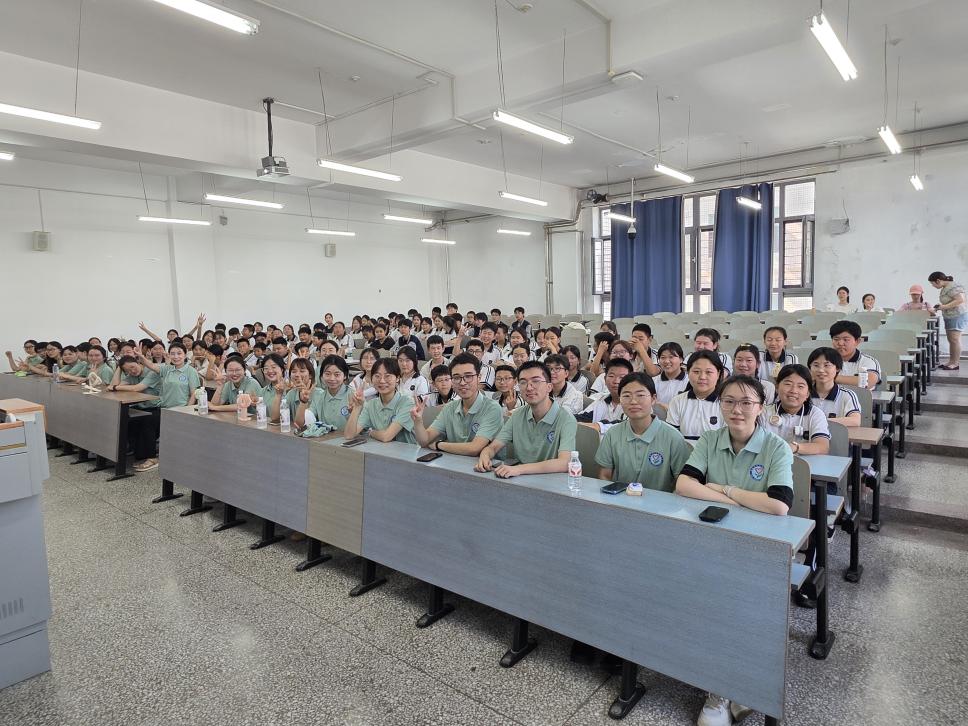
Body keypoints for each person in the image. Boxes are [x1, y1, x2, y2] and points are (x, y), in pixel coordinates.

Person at [675, 374, 793, 726]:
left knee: (735, 605)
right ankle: (723, 687)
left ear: (761, 408)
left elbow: (778, 506)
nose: (736, 409)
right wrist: (742, 502)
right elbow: (684, 484)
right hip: (711, 539)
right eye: (728, 401)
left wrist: (724, 490)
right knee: (701, 600)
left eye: (746, 402)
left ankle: (728, 688)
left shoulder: (776, 447)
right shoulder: (710, 439)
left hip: (761, 547)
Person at [475, 360, 577, 478]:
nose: (529, 387)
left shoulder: (566, 419)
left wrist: (519, 469)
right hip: (520, 480)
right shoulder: (517, 415)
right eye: (523, 382)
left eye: (536, 381)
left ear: (549, 387)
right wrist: (485, 455)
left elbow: (565, 463)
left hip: (551, 481)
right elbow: (493, 447)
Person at [596, 372, 691, 491]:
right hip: (619, 499)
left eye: (640, 395)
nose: (633, 401)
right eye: (626, 396)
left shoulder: (673, 437)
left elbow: (681, 483)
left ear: (653, 399)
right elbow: (604, 476)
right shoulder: (612, 434)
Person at [410, 352, 504, 456]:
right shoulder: (449, 407)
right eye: (456, 377)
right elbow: (424, 441)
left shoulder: (492, 408)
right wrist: (418, 421)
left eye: (468, 376)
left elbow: (474, 448)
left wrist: (438, 445)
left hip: (484, 465)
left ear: (479, 377)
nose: (462, 382)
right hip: (452, 463)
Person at [759, 365, 830, 455]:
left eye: (800, 386)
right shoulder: (764, 412)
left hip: (803, 463)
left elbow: (822, 447)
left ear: (807, 393)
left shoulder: (815, 414)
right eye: (788, 384)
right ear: (777, 387)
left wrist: (794, 447)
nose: (793, 391)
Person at [344, 358, 417, 444]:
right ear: (372, 379)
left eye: (387, 376)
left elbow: (387, 437)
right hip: (380, 450)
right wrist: (357, 407)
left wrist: (371, 432)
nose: (382, 381)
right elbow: (349, 435)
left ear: (397, 378)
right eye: (377, 376)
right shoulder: (371, 405)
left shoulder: (407, 403)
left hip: (406, 451)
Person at [666, 351, 727, 441]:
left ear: (718, 374)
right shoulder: (677, 401)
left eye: (708, 372)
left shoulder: (726, 403)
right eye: (696, 371)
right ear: (688, 372)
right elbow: (671, 438)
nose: (702, 377)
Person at [576, 358, 632, 435]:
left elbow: (628, 425)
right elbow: (584, 417)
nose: (616, 381)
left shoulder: (635, 403)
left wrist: (599, 426)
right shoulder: (601, 400)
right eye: (611, 376)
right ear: (605, 379)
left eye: (622, 377)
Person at [808, 347, 861, 426]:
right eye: (816, 365)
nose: (821, 370)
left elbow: (855, 421)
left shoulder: (847, 395)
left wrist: (820, 421)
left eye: (826, 365)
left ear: (837, 368)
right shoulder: (804, 393)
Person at [929, 271, 967, 370]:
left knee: (955, 340)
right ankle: (951, 361)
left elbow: (960, 300)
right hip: (950, 316)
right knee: (951, 340)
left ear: (938, 281)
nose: (933, 286)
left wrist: (944, 306)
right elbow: (950, 301)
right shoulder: (946, 287)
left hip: (957, 315)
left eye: (932, 284)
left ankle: (955, 363)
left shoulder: (953, 286)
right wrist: (940, 306)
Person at [829, 321, 880, 388]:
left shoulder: (868, 361)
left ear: (857, 341)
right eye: (836, 339)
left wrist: (829, 377)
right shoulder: (826, 359)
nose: (840, 343)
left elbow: (867, 382)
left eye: (846, 340)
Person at [652, 342, 688, 411]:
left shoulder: (690, 381)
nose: (666, 361)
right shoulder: (653, 381)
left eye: (671, 357)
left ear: (681, 359)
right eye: (663, 357)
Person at [258, 353, 289, 423]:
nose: (270, 371)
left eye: (274, 367)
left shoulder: (290, 388)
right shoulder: (263, 391)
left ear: (282, 369)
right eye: (266, 368)